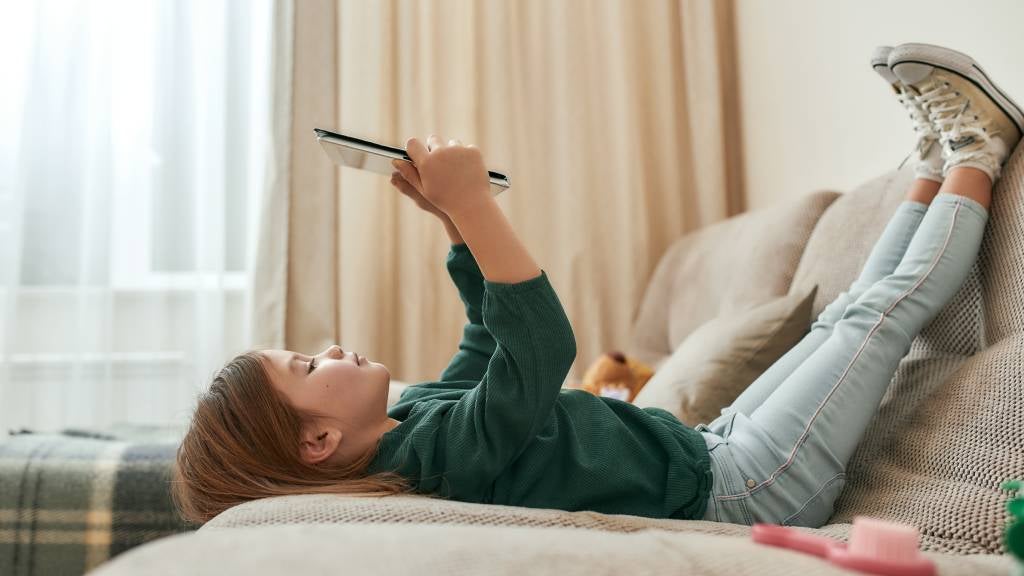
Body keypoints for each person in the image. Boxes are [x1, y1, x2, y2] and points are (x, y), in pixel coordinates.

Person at [171, 43, 1022, 528]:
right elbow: (539, 350)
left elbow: (488, 341)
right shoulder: (436, 461)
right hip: (748, 490)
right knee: (871, 317)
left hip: (710, 452)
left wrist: (455, 227)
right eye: (307, 366)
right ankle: (979, 148)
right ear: (319, 441)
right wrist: (473, 204)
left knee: (843, 317)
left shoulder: (415, 418)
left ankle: (931, 162)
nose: (328, 349)